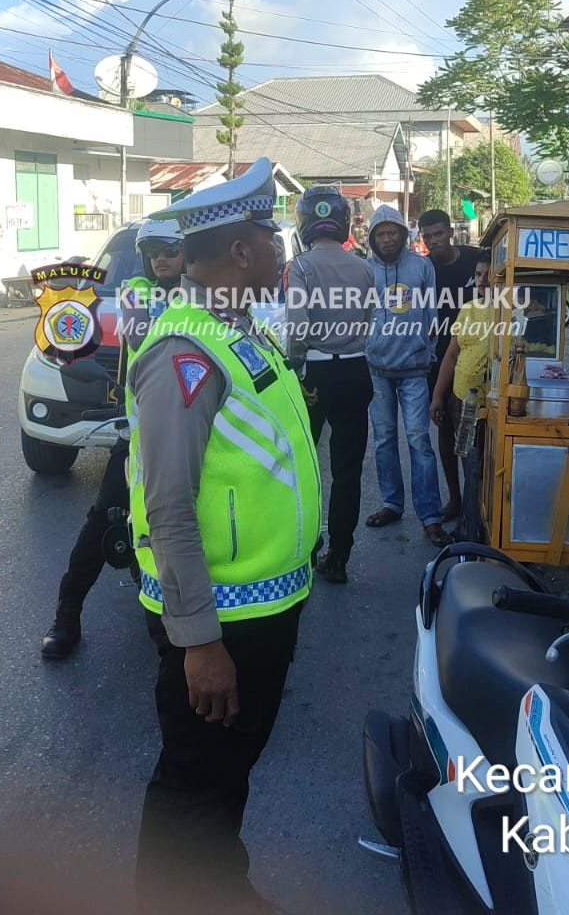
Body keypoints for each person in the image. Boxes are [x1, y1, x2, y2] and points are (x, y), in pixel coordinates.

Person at [124, 159, 322, 914]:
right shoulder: (184, 352)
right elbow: (166, 507)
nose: (283, 251)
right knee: (193, 785)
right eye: (273, 236)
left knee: (226, 773)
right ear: (242, 250)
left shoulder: (232, 332)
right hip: (222, 622)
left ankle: (221, 889)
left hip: (263, 608)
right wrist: (198, 642)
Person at [40, 218, 184, 660]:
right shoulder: (135, 293)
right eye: (152, 249)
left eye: (170, 247)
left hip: (196, 431)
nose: (161, 256)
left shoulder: (206, 295)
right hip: (142, 434)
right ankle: (67, 612)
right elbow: (140, 332)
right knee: (103, 515)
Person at [286, 186, 376, 584]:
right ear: (345, 222)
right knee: (347, 470)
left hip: (315, 375)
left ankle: (304, 552)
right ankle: (339, 556)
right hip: (356, 372)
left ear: (304, 221)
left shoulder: (299, 267)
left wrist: (296, 364)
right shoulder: (364, 267)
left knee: (303, 466)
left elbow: (298, 327)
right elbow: (369, 319)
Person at [360, 204, 445, 547]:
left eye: (393, 231)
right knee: (383, 440)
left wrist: (428, 351)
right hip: (377, 369)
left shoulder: (421, 266)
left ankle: (431, 515)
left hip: (414, 370)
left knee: (419, 440)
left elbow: (433, 313)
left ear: (403, 234)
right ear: (372, 238)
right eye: (380, 233)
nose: (387, 238)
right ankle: (392, 503)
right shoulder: (364, 270)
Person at [418, 209, 485, 523]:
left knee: (479, 435)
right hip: (440, 360)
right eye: (428, 236)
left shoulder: (475, 260)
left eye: (438, 233)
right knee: (445, 429)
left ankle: (480, 501)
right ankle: (456, 499)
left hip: (479, 357)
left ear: (450, 232)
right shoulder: (424, 269)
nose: (434, 241)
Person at [429, 257, 501, 543]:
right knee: (466, 458)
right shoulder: (470, 309)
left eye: (489, 275)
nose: (482, 280)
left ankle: (481, 523)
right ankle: (464, 515)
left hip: (492, 404)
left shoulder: (509, 312)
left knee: (484, 464)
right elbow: (451, 355)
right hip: (462, 401)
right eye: (478, 274)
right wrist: (437, 395)